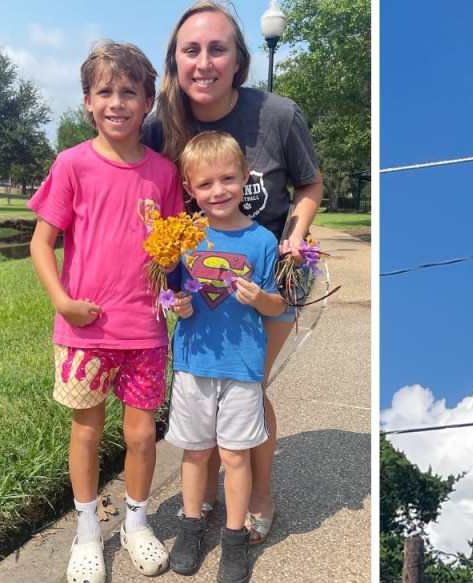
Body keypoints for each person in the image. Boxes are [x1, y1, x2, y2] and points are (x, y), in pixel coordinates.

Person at [142, 0, 324, 544]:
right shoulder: (161, 127)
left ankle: (259, 490)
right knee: (210, 390)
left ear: (239, 60)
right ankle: (212, 489)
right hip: (199, 288)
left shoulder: (277, 115)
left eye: (217, 49)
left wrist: (293, 239)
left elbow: (310, 185)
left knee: (249, 382)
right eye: (190, 51)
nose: (204, 62)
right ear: (174, 61)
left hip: (268, 274)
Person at [27, 41, 185, 583]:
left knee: (142, 436)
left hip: (144, 330)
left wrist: (174, 268)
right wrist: (61, 300)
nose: (117, 102)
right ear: (88, 102)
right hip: (83, 330)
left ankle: (137, 521)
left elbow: (171, 249)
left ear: (147, 103)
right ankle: (88, 528)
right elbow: (42, 243)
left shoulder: (164, 174)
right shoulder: (72, 164)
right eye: (105, 92)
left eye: (129, 92)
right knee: (87, 432)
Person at [166, 131, 284, 583]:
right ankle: (192, 528)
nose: (218, 191)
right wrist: (177, 303)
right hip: (194, 362)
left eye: (228, 179)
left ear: (245, 180)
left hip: (243, 367)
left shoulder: (262, 241)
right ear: (190, 189)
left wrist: (260, 299)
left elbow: (278, 304)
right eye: (206, 183)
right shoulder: (185, 236)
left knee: (236, 455)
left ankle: (234, 539)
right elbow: (172, 290)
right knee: (195, 451)